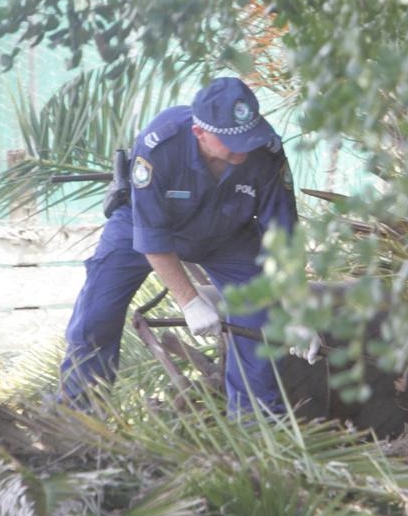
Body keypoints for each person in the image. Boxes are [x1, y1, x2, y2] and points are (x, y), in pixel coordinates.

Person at [59, 76, 299, 418]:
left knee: (261, 318)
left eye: (249, 136)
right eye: (233, 141)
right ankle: (78, 419)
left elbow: (284, 236)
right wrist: (189, 302)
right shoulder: (160, 144)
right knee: (97, 312)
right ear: (199, 133)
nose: (245, 148)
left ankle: (256, 427)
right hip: (141, 226)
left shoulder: (266, 151)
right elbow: (152, 238)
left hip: (227, 234)